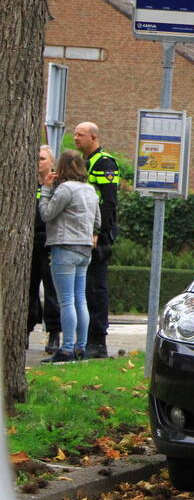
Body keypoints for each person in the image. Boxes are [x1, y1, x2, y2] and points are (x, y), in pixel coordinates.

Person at [38, 150, 101, 363]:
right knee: (80, 299)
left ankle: (66, 349)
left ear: (62, 167)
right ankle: (81, 347)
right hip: (85, 248)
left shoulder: (65, 189)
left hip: (64, 246)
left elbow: (47, 214)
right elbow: (97, 222)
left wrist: (46, 190)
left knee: (66, 301)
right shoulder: (90, 190)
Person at [74, 121, 119, 359]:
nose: (75, 138)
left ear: (93, 137)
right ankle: (84, 339)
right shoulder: (84, 161)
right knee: (83, 288)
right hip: (83, 232)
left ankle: (98, 342)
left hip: (97, 236)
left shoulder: (104, 163)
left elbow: (109, 202)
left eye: (80, 134)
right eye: (74, 134)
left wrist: (99, 234)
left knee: (95, 288)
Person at [29, 145, 62, 353]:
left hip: (49, 240)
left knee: (51, 289)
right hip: (28, 241)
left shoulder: (58, 186)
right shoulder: (26, 183)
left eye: (42, 158)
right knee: (28, 288)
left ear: (51, 162)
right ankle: (25, 329)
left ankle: (53, 333)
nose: (38, 162)